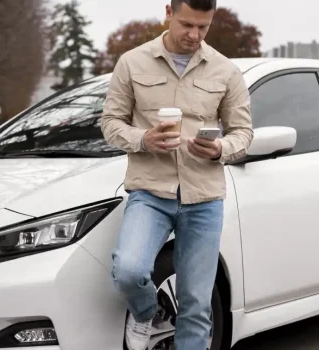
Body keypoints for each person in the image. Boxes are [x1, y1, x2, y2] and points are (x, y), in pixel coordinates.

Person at [99, 0, 253, 349]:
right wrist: (144, 139)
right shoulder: (132, 63)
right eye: (186, 25)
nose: (194, 35)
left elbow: (243, 134)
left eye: (203, 27)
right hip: (151, 193)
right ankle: (146, 314)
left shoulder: (225, 71)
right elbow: (110, 124)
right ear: (168, 12)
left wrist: (220, 149)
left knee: (197, 303)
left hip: (204, 198)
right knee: (129, 271)